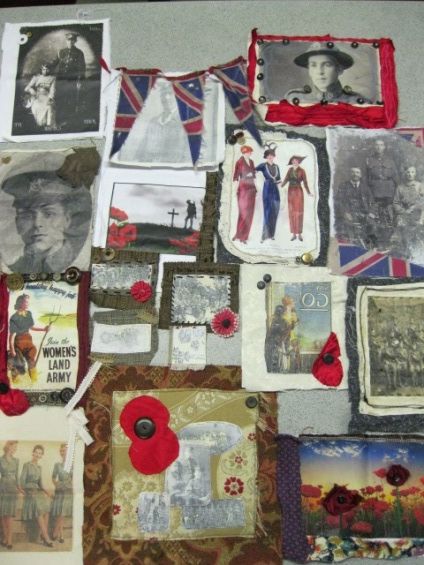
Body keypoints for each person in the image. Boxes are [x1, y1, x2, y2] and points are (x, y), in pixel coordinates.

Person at [2, 170, 92, 273]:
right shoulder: (17, 267)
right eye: (27, 215)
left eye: (49, 214)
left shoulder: (80, 263)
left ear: (67, 220)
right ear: (17, 222)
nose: (37, 223)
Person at [285, 42, 369, 105]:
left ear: (339, 69)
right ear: (309, 70)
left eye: (327, 65)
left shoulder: (356, 102)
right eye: (313, 65)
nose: (319, 72)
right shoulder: (295, 99)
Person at [8, 294, 49, 383]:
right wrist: (12, 350)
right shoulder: (14, 318)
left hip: (28, 341)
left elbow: (31, 327)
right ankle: (16, 383)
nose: (27, 304)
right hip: (19, 342)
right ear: (20, 303)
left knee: (31, 361)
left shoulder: (28, 314)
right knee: (18, 364)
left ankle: (34, 381)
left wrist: (44, 329)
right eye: (25, 302)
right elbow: (11, 336)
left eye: (28, 302)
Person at [20, 445, 54, 548]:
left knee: (47, 510)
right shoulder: (27, 465)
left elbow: (40, 484)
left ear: (41, 455)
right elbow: (22, 482)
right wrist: (27, 491)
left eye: (40, 453)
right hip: (30, 493)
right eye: (36, 452)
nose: (38, 455)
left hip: (38, 492)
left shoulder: (39, 467)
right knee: (39, 509)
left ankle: (43, 535)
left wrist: (48, 492)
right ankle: (46, 538)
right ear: (33, 453)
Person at [366, 138, 398, 242]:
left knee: (388, 216)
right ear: (374, 147)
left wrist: (396, 192)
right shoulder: (369, 160)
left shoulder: (390, 160)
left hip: (389, 191)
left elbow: (395, 177)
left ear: (384, 147)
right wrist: (369, 191)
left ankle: (389, 239)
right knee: (375, 215)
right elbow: (366, 177)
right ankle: (376, 239)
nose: (379, 147)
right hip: (375, 191)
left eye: (381, 145)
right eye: (377, 145)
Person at [51, 31, 86, 126]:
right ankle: (58, 120)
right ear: (66, 41)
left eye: (72, 40)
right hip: (60, 79)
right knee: (59, 98)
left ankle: (69, 122)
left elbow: (82, 68)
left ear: (75, 41)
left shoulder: (79, 53)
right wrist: (46, 67)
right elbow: (54, 63)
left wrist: (80, 80)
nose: (70, 42)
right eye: (68, 40)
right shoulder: (61, 52)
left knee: (70, 99)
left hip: (72, 80)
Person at [393, 165, 424, 256]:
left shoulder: (420, 186)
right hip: (405, 214)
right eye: (408, 172)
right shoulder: (400, 188)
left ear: (415, 173)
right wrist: (403, 211)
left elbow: (423, 202)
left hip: (419, 214)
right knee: (401, 226)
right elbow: (395, 203)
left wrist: (416, 210)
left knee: (418, 231)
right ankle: (406, 251)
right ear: (405, 173)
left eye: (412, 172)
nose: (410, 174)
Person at [281, 155, 313, 241]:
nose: (294, 162)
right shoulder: (289, 170)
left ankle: (300, 234)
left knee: (299, 212)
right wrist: (280, 186)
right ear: (291, 162)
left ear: (299, 162)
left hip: (298, 192)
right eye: (293, 161)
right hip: (290, 191)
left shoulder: (302, 171)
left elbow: (305, 182)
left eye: (296, 161)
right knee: (291, 212)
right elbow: (286, 179)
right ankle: (294, 234)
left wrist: (308, 192)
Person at [334, 166, 370, 242]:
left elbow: (371, 201)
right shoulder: (343, 186)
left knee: (372, 226)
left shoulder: (365, 187)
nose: (355, 174)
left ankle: (370, 246)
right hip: (349, 213)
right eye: (353, 172)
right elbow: (338, 201)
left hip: (363, 213)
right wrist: (345, 213)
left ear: (360, 175)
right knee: (345, 230)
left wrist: (371, 212)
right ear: (350, 174)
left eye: (357, 172)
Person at [256, 146, 282, 242]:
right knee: (267, 212)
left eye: (272, 155)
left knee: (275, 211)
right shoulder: (263, 165)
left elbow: (279, 180)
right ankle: (264, 236)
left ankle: (271, 235)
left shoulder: (277, 167)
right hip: (267, 188)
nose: (270, 157)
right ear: (266, 156)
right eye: (268, 155)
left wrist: (281, 186)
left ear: (274, 156)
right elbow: (253, 170)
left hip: (275, 189)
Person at [232, 145, 257, 243]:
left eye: (250, 152)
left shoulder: (252, 162)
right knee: (243, 212)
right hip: (243, 188)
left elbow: (254, 176)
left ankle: (244, 236)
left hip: (252, 189)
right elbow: (236, 177)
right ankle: (238, 234)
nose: (249, 153)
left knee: (249, 213)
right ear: (244, 152)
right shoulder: (239, 162)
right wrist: (235, 190)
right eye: (248, 152)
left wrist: (256, 188)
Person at [0, 441, 21, 550]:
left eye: (16, 447)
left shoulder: (16, 461)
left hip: (12, 488)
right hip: (2, 488)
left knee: (10, 515)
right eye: (14, 447)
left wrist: (19, 488)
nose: (15, 449)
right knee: (3, 514)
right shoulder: (0, 460)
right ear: (8, 446)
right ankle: (5, 537)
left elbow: (17, 476)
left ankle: (9, 540)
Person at [51, 444, 73, 544]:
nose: (63, 453)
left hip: (68, 491)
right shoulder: (57, 465)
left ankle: (56, 533)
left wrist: (70, 485)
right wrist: (57, 485)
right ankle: (60, 535)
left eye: (65, 451)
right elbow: (53, 477)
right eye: (62, 451)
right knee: (60, 513)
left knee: (62, 513)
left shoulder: (72, 465)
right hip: (59, 491)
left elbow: (74, 478)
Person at [24, 63, 56, 129]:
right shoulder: (36, 77)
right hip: (37, 95)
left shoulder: (52, 78)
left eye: (47, 69)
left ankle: (48, 125)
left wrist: (50, 98)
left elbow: (52, 89)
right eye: (43, 69)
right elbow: (27, 88)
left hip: (47, 96)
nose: (45, 71)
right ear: (41, 70)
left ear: (49, 70)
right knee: (35, 105)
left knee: (49, 106)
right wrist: (31, 90)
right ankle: (38, 123)